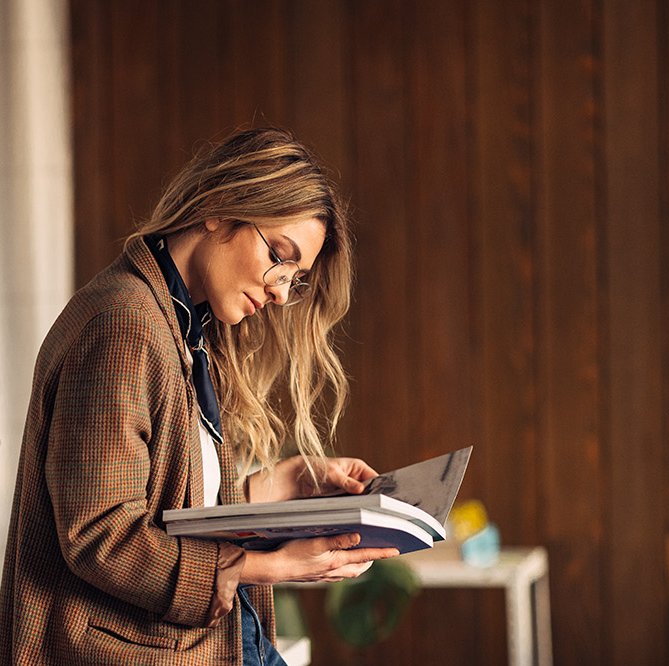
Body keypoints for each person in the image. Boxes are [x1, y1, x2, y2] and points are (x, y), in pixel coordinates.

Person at [0, 127, 399, 664]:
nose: (282, 292)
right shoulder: (124, 325)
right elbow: (100, 536)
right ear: (219, 209)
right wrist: (274, 566)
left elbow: (173, 511)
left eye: (296, 279)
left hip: (220, 640)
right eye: (280, 256)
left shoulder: (181, 327)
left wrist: (284, 482)